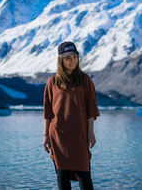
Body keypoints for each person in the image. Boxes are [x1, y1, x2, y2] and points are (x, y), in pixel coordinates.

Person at [43, 41, 100, 190]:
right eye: (68, 58)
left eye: (75, 57)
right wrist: (45, 136)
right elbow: (48, 112)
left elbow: (91, 110)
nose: (72, 61)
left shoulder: (85, 80)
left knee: (84, 175)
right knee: (62, 176)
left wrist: (90, 133)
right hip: (58, 136)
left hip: (79, 135)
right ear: (60, 60)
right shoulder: (52, 82)